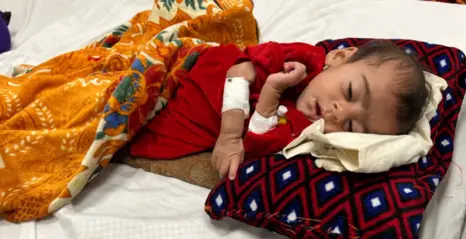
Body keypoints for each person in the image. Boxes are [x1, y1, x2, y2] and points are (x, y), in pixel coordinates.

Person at [129, 40, 430, 180]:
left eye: (352, 127)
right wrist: (231, 136)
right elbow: (239, 70)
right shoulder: (305, 58)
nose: (338, 112)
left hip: (189, 117)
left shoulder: (304, 128)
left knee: (137, 127)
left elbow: (259, 142)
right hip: (207, 71)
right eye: (350, 92)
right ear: (339, 57)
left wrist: (271, 94)